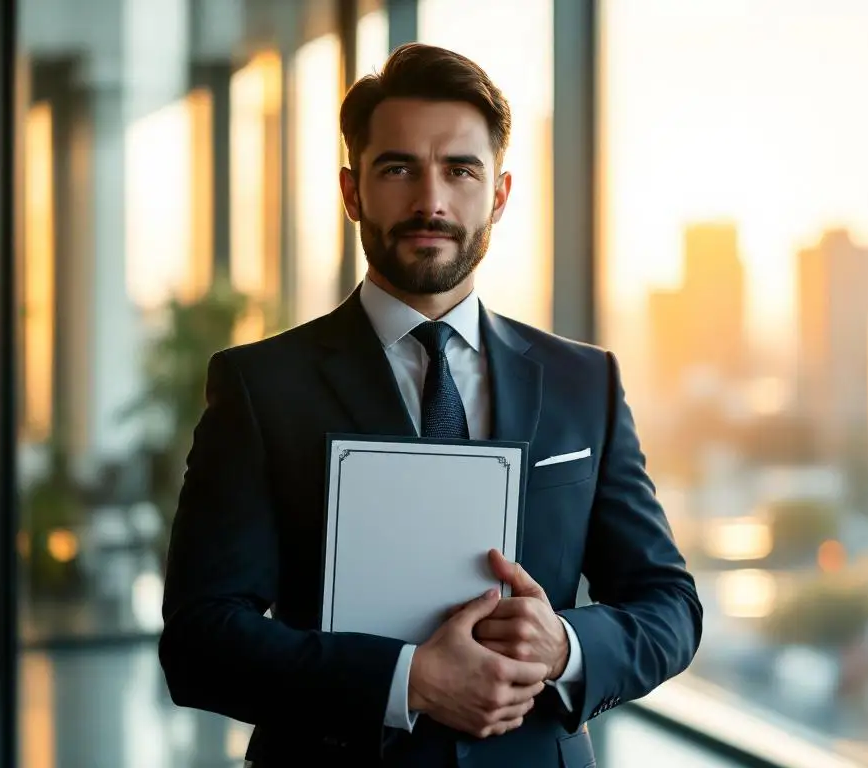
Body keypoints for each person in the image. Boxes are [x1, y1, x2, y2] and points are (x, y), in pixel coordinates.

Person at [159, 42, 702, 768]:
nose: (431, 202)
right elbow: (198, 639)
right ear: (352, 192)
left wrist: (565, 646)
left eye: (460, 170)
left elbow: (668, 605)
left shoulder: (584, 382)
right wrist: (404, 682)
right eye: (398, 169)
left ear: (499, 195)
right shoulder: (261, 387)